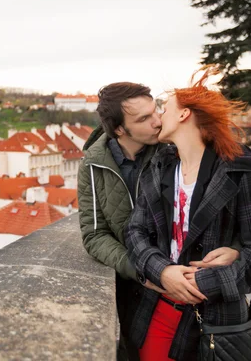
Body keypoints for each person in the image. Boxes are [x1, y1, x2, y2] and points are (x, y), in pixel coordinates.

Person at [77, 82, 241, 361]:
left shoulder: (173, 151)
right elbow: (94, 234)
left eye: (156, 111)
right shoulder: (93, 165)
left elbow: (226, 211)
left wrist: (236, 246)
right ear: (119, 129)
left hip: (192, 283)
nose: (157, 122)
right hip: (134, 290)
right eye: (143, 119)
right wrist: (142, 270)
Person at [125, 68, 251, 361]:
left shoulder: (238, 167)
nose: (159, 118)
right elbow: (135, 233)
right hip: (156, 309)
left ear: (184, 115)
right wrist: (163, 271)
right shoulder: (159, 166)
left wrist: (204, 283)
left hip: (215, 318)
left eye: (165, 108)